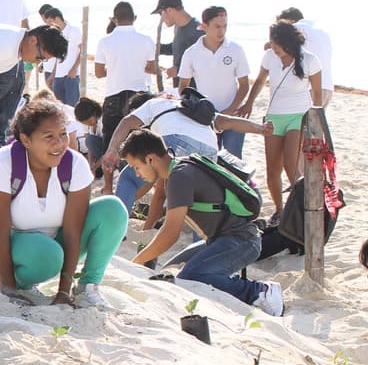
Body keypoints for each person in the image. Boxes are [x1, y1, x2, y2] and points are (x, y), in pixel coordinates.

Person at [121, 129, 284, 316]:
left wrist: (134, 264)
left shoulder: (179, 177)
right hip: (222, 240)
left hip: (240, 241)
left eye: (136, 167)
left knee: (192, 278)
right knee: (176, 273)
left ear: (150, 159)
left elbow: (170, 233)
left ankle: (261, 291)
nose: (137, 173)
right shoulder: (178, 169)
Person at [0, 99, 126, 307]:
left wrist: (63, 292)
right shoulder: (2, 163)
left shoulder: (75, 165)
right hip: (15, 245)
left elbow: (72, 232)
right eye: (48, 137)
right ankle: (21, 282)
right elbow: (0, 232)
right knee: (48, 254)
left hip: (56, 243)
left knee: (113, 209)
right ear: (25, 140)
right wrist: (9, 289)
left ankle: (87, 286)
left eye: (62, 134)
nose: (59, 144)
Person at [103, 91, 270, 220]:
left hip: (177, 142)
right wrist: (260, 129)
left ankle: (116, 227)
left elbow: (127, 121)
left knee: (129, 179)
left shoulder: (153, 103)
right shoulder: (193, 107)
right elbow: (229, 122)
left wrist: (112, 149)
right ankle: (199, 244)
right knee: (200, 201)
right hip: (210, 152)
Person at [237, 20, 323, 219]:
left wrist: (316, 120)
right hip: (275, 116)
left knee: (290, 164)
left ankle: (301, 206)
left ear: (286, 41)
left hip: (299, 117)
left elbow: (317, 94)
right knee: (272, 169)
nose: (272, 47)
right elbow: (259, 81)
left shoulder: (310, 60)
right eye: (271, 43)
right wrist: (249, 103)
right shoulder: (269, 57)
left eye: (276, 43)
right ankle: (279, 210)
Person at [93, 1, 156, 193]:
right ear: (134, 18)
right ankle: (141, 181)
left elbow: (98, 73)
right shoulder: (146, 40)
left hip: (114, 94)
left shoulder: (105, 41)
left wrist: (114, 68)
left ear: (114, 19)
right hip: (139, 96)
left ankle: (109, 186)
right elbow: (152, 68)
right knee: (140, 141)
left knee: (111, 142)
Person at [0, 23, 69, 145]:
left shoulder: (16, 50)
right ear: (33, 40)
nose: (37, 63)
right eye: (39, 57)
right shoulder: (5, 45)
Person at [178, 6, 251, 156]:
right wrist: (195, 111)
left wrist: (231, 109)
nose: (221, 31)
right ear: (204, 26)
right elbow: (183, 87)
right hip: (204, 119)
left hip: (233, 116)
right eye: (217, 26)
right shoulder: (191, 53)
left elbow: (244, 84)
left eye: (225, 26)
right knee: (209, 162)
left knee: (234, 162)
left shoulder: (236, 49)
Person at [276, 7, 334, 108]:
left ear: (290, 21)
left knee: (302, 123)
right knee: (315, 123)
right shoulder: (321, 31)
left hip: (310, 88)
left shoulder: (295, 27)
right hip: (327, 87)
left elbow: (273, 45)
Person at [151, 0, 204, 88]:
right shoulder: (178, 27)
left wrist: (178, 70)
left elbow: (205, 63)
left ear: (169, 10)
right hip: (180, 89)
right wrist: (156, 48)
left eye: (161, 14)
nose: (161, 20)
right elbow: (177, 49)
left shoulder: (198, 31)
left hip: (195, 91)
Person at [39, 8, 83, 106]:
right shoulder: (57, 33)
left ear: (58, 18)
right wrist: (53, 74)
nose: (50, 25)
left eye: (50, 21)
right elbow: (59, 57)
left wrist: (74, 69)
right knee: (59, 108)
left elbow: (83, 51)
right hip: (58, 76)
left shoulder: (73, 31)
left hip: (70, 76)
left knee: (72, 108)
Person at [74, 97, 105, 171]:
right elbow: (90, 146)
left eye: (89, 121)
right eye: (85, 123)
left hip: (109, 150)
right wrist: (90, 164)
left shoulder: (104, 121)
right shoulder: (87, 124)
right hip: (100, 153)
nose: (88, 124)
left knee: (90, 140)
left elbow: (108, 150)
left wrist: (94, 168)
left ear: (95, 114)